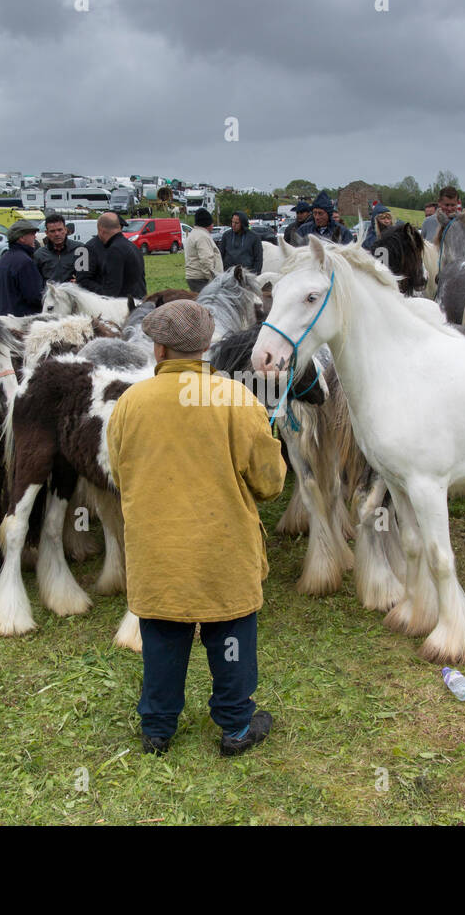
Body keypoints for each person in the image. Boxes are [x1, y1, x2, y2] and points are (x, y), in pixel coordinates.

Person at [107, 300, 286, 757]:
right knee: (230, 636)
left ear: (159, 347)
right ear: (206, 346)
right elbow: (270, 482)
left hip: (157, 552)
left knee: (163, 636)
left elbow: (121, 471)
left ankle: (158, 730)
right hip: (222, 553)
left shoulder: (130, 402)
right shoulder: (236, 398)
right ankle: (236, 725)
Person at [80, 212, 146, 299]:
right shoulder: (85, 249)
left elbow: (111, 290)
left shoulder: (117, 248)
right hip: (133, 301)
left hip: (120, 303)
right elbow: (81, 279)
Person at [0, 220, 44, 317]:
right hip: (22, 321)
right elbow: (35, 297)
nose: (35, 237)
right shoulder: (25, 262)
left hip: (5, 319)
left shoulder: (4, 259)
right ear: (21, 238)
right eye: (32, 234)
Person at [33, 214, 86, 285]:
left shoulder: (80, 249)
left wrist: (80, 281)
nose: (57, 234)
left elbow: (88, 276)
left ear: (66, 230)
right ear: (47, 233)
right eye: (52, 231)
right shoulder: (39, 255)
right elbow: (36, 282)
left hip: (74, 294)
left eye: (59, 230)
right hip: (50, 294)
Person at [184, 208, 222, 287]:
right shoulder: (202, 237)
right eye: (212, 223)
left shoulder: (193, 234)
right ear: (207, 224)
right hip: (202, 279)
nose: (213, 225)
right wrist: (214, 279)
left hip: (194, 277)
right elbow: (206, 260)